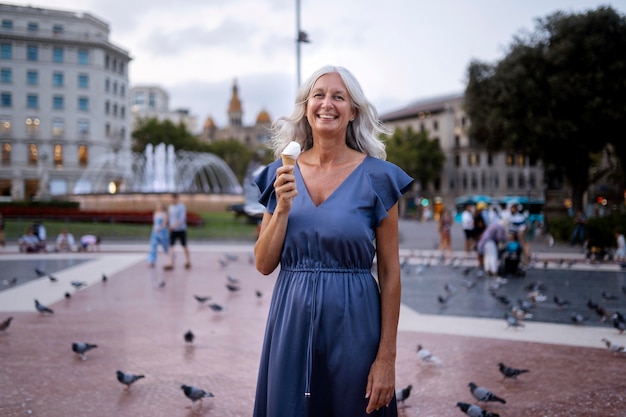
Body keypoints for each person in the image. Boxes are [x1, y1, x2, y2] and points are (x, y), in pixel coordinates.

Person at [252, 65, 413, 416]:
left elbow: (390, 272)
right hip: (290, 325)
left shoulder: (379, 178)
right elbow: (264, 264)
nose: (328, 104)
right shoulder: (280, 173)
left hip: (356, 327)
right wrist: (281, 209)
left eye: (338, 97)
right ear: (306, 107)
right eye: (319, 95)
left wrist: (386, 358)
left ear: (352, 111)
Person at [163, 193, 191, 270]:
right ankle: (170, 263)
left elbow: (182, 219)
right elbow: (168, 216)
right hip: (173, 230)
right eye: (171, 198)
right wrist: (165, 224)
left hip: (181, 229)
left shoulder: (181, 207)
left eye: (173, 198)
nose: (172, 200)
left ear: (177, 198)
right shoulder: (170, 207)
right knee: (170, 246)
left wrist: (174, 226)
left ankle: (188, 261)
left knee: (184, 245)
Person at [147, 201, 169, 267]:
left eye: (159, 205)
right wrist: (155, 229)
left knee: (166, 246)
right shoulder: (155, 213)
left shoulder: (164, 214)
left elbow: (164, 224)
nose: (158, 207)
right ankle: (152, 261)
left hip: (162, 232)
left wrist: (159, 229)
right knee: (153, 246)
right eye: (157, 205)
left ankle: (171, 259)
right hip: (155, 232)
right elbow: (155, 223)